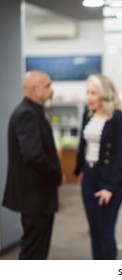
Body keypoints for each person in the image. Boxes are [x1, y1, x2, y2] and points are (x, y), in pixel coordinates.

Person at [2, 70, 63, 260]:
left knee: (37, 249)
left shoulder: (31, 111)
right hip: (35, 197)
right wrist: (56, 175)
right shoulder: (27, 114)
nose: (51, 90)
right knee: (34, 252)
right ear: (34, 90)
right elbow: (33, 155)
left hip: (35, 196)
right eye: (47, 85)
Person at [74, 74, 122, 260]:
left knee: (105, 232)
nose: (88, 97)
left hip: (110, 180)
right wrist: (81, 169)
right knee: (94, 231)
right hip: (89, 178)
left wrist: (110, 187)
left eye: (93, 93)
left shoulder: (119, 118)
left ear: (104, 95)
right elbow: (83, 145)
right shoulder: (86, 115)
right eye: (87, 92)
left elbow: (120, 155)